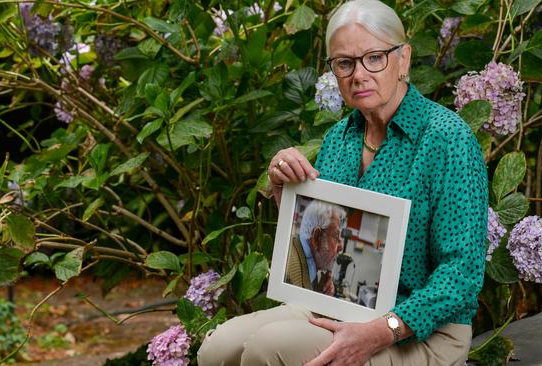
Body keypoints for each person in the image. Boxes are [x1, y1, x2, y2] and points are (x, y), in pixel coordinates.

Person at [197, 0, 488, 364]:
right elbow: (318, 241)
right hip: (335, 305)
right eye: (345, 63)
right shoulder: (340, 137)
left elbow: (462, 276)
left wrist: (381, 330)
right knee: (216, 350)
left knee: (265, 349)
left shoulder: (447, 139)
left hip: (417, 330)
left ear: (404, 59)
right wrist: (284, 193)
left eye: (375, 57)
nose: (359, 75)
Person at [285, 200, 346, 296]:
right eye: (335, 236)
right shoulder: (290, 277)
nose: (341, 247)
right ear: (317, 237)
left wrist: (321, 288)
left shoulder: (309, 259)